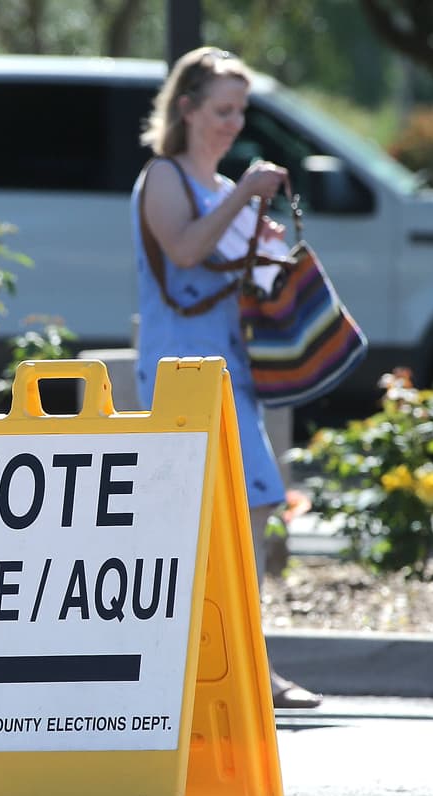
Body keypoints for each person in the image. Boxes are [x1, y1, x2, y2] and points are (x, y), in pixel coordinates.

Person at [131, 46, 322, 709]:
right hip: (180, 369)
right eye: (221, 109)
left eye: (241, 110)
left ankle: (231, 662)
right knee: (212, 516)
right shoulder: (164, 178)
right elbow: (182, 249)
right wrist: (244, 193)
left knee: (258, 504)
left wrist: (261, 241)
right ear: (186, 108)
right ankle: (220, 667)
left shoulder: (217, 191)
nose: (233, 123)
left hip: (228, 372)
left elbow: (237, 276)